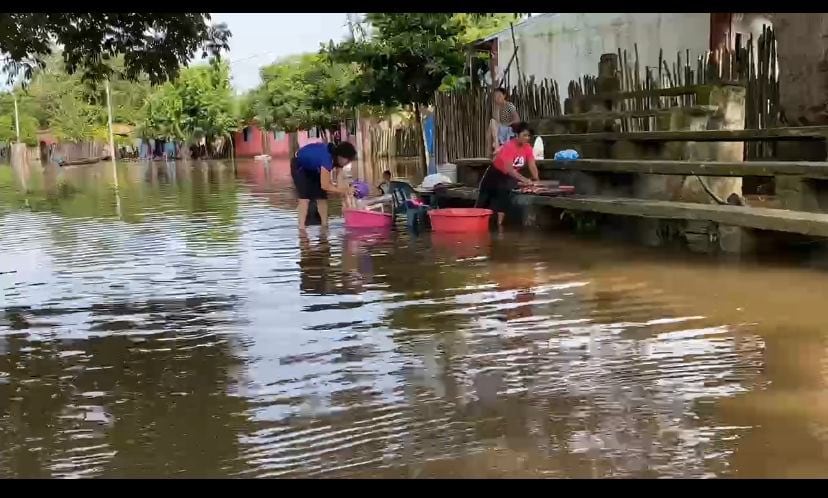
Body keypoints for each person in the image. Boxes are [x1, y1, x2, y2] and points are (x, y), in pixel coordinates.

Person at [476, 121, 540, 228]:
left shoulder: (527, 148)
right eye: (524, 135)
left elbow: (532, 165)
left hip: (508, 178)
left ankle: (499, 226)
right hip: (494, 175)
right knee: (483, 202)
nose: (527, 138)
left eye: (529, 136)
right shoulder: (509, 146)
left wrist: (536, 179)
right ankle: (475, 223)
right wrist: (524, 180)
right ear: (517, 135)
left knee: (503, 198)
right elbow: (509, 169)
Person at [291, 141, 358, 230]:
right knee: (304, 198)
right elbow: (325, 185)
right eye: (348, 160)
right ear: (341, 157)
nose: (348, 163)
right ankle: (302, 230)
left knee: (322, 197)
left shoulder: (337, 159)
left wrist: (347, 201)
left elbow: (341, 182)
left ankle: (325, 226)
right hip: (299, 166)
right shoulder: (327, 159)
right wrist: (345, 190)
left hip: (314, 167)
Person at [489, 87, 521, 154]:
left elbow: (517, 120)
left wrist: (506, 124)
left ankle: (496, 144)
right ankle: (495, 144)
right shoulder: (497, 108)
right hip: (500, 129)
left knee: (492, 122)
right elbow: (497, 122)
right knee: (491, 124)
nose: (497, 98)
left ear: (504, 96)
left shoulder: (509, 105)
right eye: (495, 96)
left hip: (509, 129)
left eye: (499, 96)